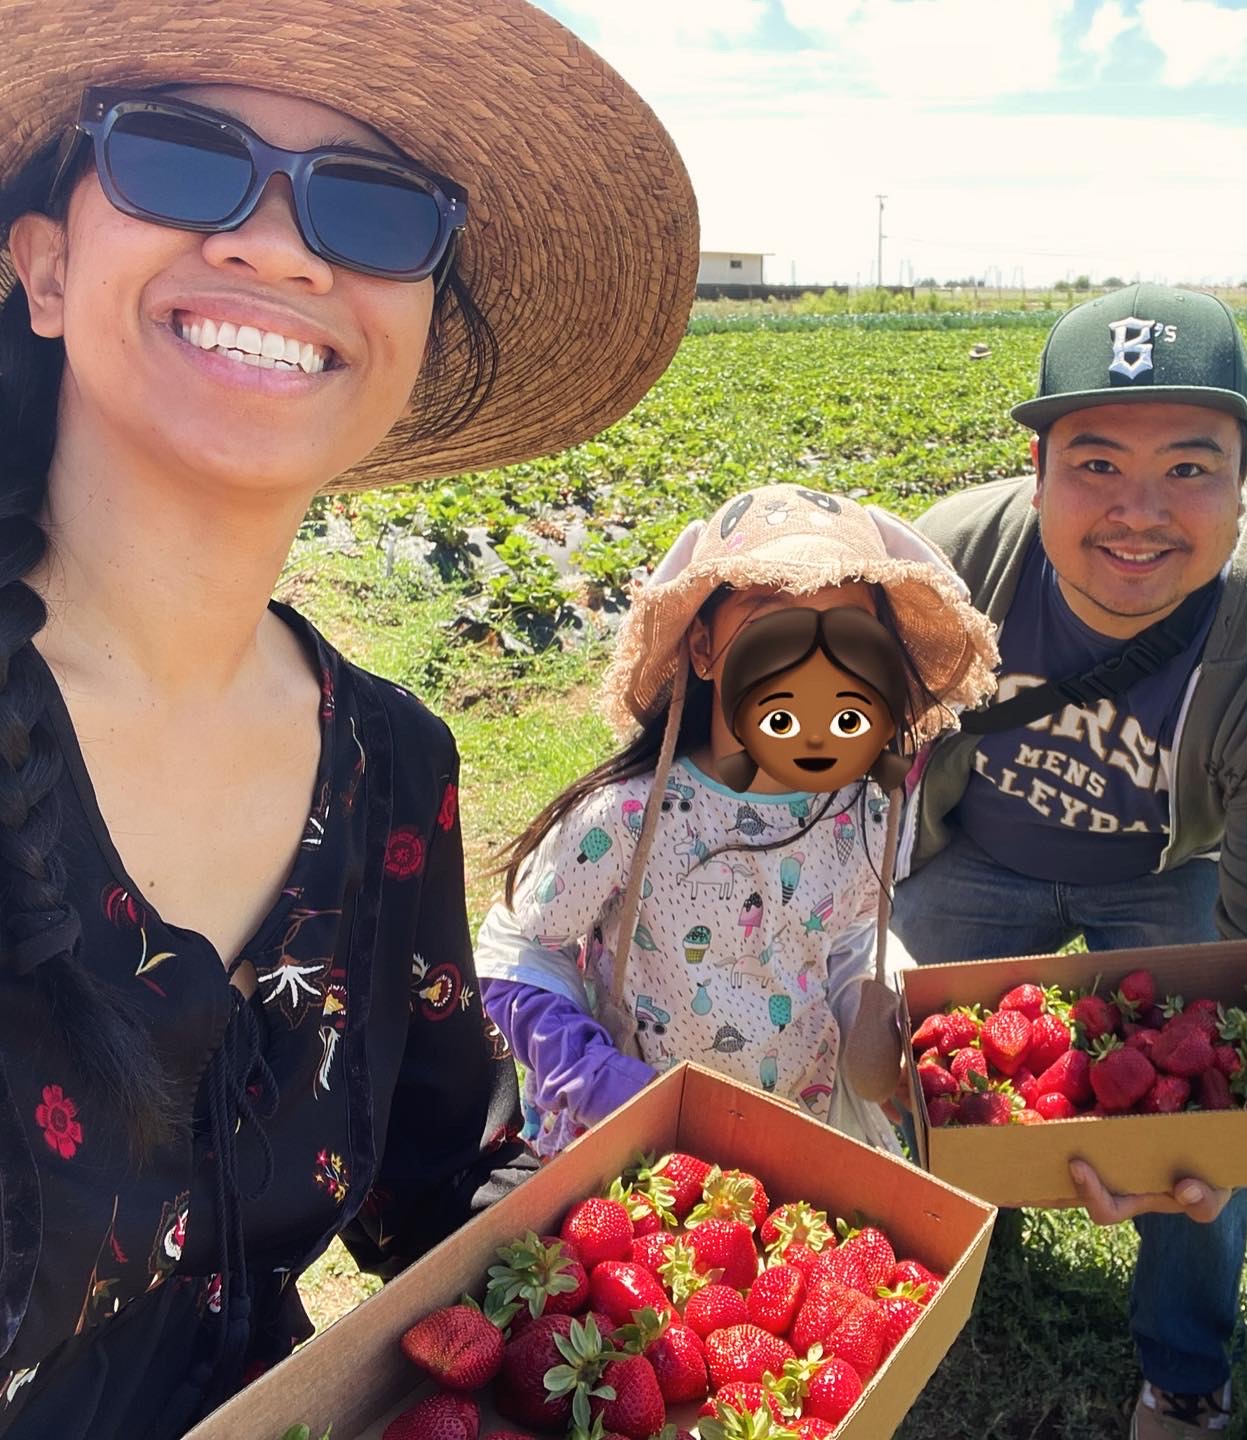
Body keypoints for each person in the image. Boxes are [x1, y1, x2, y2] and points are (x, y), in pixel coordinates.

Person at [0, 2, 698, 1436]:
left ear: (418, 333)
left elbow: (437, 1181)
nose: (279, 245)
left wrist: (691, 1291)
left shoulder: (389, 770)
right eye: (180, 158)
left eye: (371, 205)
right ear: (46, 268)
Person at [892, 284, 1247, 1439]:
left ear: (1245, 477)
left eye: (1190, 468)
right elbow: (837, 742)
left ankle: (1185, 1379)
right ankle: (921, 1272)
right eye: (1095, 464)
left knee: (1204, 1139)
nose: (1138, 512)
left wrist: (1229, 1124)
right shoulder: (951, 565)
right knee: (885, 1058)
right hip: (979, 853)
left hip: (1167, 873)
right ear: (1039, 470)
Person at [474, 483, 997, 1156]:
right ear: (703, 647)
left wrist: (879, 1005)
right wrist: (594, 1075)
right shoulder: (628, 818)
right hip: (637, 1143)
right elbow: (519, 949)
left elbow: (847, 932)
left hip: (793, 1127)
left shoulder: (860, 811)